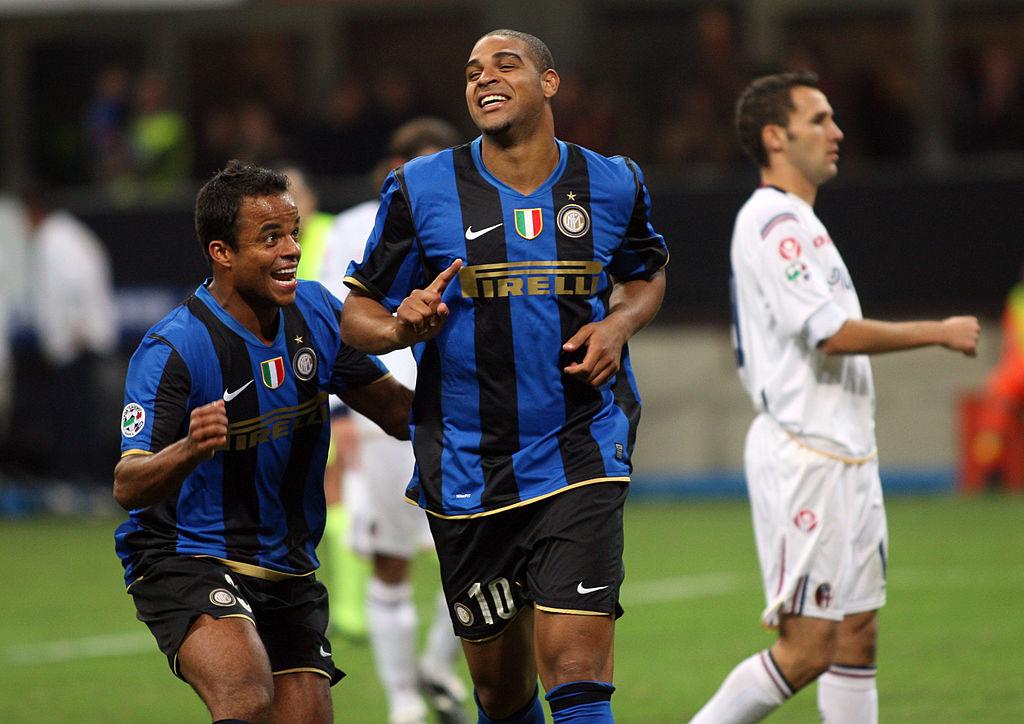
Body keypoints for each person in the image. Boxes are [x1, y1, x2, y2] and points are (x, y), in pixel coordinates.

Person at [341, 29, 668, 724]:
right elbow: (357, 313)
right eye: (471, 71)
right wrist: (399, 328)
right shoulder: (421, 187)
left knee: (577, 673)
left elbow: (645, 274)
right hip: (467, 464)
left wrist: (617, 325)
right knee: (499, 692)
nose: (483, 78)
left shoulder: (613, 181)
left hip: (581, 448)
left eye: (504, 64)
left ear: (549, 83)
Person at [690, 71, 980, 724]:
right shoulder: (774, 223)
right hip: (805, 456)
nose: (836, 131)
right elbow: (830, 333)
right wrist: (937, 331)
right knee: (806, 650)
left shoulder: (802, 221)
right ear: (775, 136)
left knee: (857, 635)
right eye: (819, 119)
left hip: (846, 452)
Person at [112, 160, 413, 724]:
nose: (292, 250)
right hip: (188, 556)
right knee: (246, 695)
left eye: (294, 232)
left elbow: (399, 415)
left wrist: (438, 347)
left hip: (287, 567)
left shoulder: (316, 312)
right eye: (271, 238)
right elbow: (128, 485)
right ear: (222, 252)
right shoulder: (173, 349)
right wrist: (190, 449)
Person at [320, 117, 467, 724]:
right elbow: (334, 318)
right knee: (391, 558)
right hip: (384, 407)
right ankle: (404, 699)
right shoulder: (355, 226)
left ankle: (436, 666)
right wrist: (340, 411)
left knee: (482, 553)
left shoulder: (476, 215)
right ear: (395, 169)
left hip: (460, 407)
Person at [23, 186, 120, 482]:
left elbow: (74, 285)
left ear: (35, 212)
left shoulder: (55, 239)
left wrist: (75, 330)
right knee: (78, 416)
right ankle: (83, 479)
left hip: (76, 343)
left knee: (75, 418)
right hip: (78, 341)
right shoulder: (68, 234)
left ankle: (80, 481)